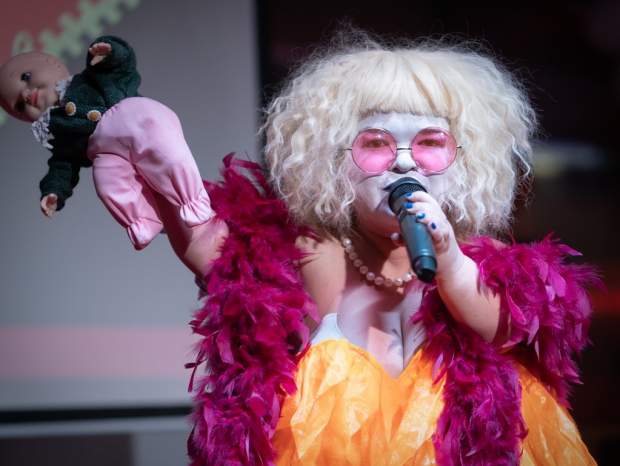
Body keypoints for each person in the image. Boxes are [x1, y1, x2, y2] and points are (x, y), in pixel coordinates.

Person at [171, 34, 598, 465]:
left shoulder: (485, 257)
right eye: (376, 144)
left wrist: (449, 258)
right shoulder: (309, 253)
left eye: (430, 143)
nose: (405, 162)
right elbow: (213, 252)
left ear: (467, 160)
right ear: (331, 160)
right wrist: (153, 143)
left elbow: (504, 332)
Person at [0, 36, 213, 250]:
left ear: (53, 63)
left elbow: (124, 64)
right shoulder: (60, 131)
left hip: (136, 120)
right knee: (107, 182)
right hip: (109, 153)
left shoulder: (92, 76)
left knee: (168, 156)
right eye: (19, 105)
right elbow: (62, 166)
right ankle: (142, 221)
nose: (26, 95)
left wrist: (109, 52)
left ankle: (193, 199)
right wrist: (53, 192)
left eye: (26, 77)